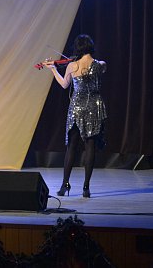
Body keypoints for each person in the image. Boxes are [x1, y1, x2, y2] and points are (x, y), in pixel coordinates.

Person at [44, 34, 106, 198]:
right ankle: (86, 187)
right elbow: (97, 73)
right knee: (90, 146)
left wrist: (53, 69)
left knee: (71, 146)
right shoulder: (101, 64)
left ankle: (65, 184)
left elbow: (64, 85)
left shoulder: (72, 65)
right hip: (94, 106)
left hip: (76, 107)